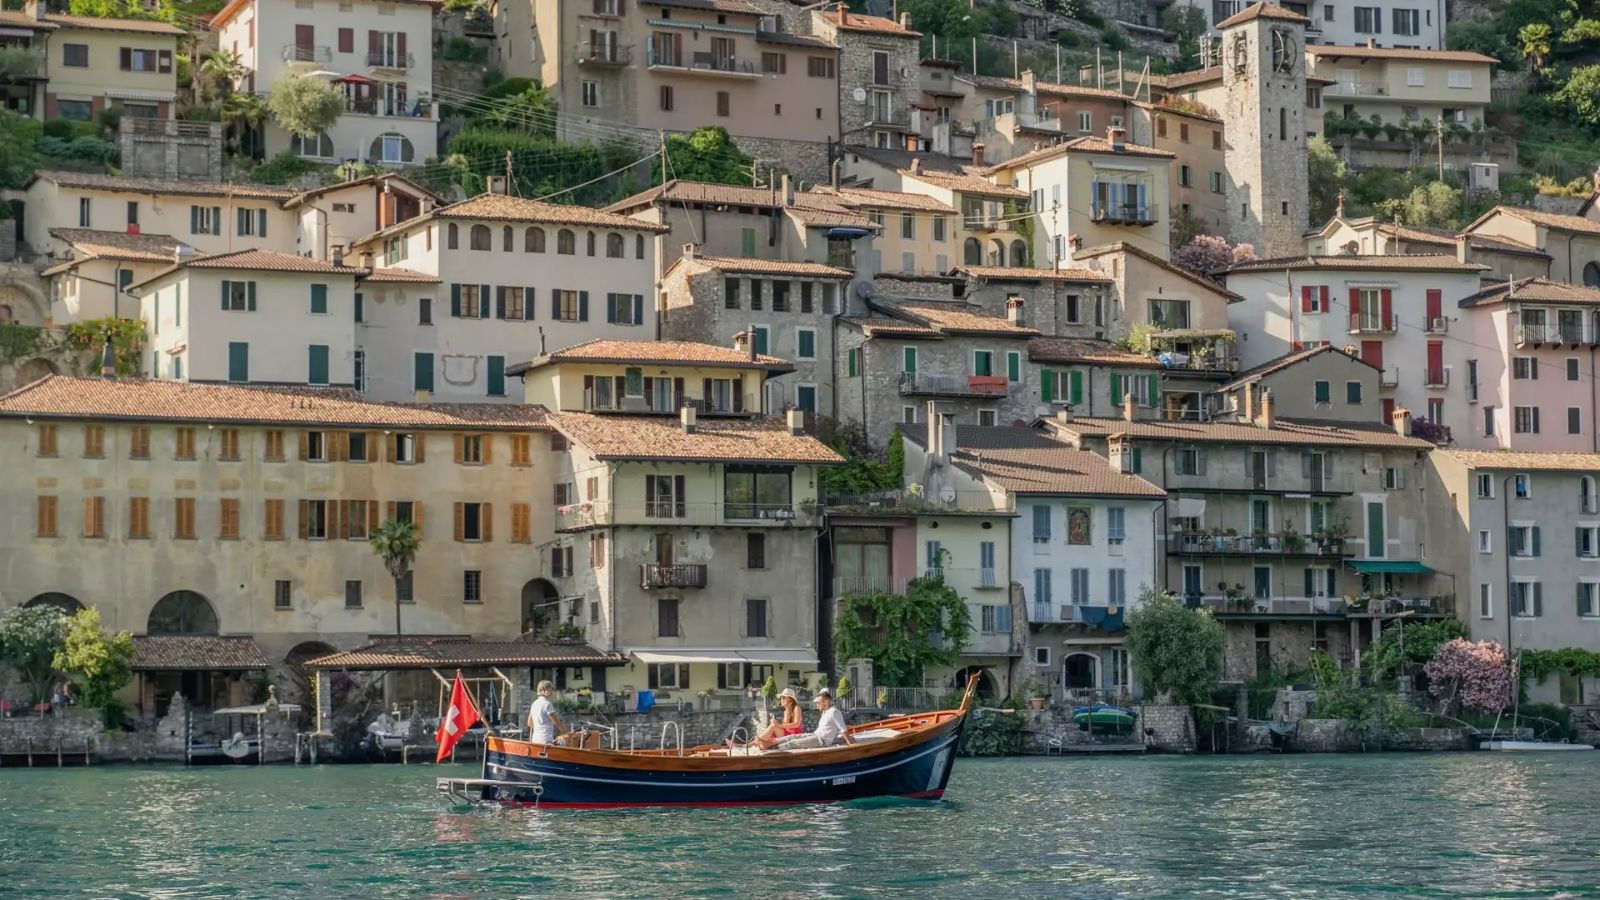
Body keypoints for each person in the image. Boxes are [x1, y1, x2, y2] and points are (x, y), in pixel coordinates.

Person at [774, 687, 850, 750]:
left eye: (818, 703)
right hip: (815, 735)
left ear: (826, 702)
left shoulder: (834, 712)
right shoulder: (825, 712)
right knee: (792, 737)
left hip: (821, 740)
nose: (817, 705)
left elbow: (843, 729)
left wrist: (850, 744)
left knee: (793, 742)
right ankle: (771, 743)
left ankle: (774, 748)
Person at [526, 680, 566, 745]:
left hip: (535, 738)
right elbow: (556, 722)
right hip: (546, 739)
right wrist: (567, 733)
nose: (552, 691)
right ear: (544, 690)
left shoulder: (534, 704)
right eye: (551, 689)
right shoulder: (547, 704)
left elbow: (529, 723)